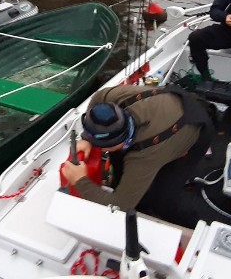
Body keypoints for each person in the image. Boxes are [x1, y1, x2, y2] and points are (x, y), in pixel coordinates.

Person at [60, 84, 215, 213]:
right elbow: (98, 97)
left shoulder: (145, 155)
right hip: (169, 103)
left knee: (162, 198)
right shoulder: (113, 98)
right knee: (124, 173)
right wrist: (87, 139)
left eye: (103, 147)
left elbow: (121, 205)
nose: (101, 150)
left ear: (120, 142)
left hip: (193, 129)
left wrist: (80, 181)